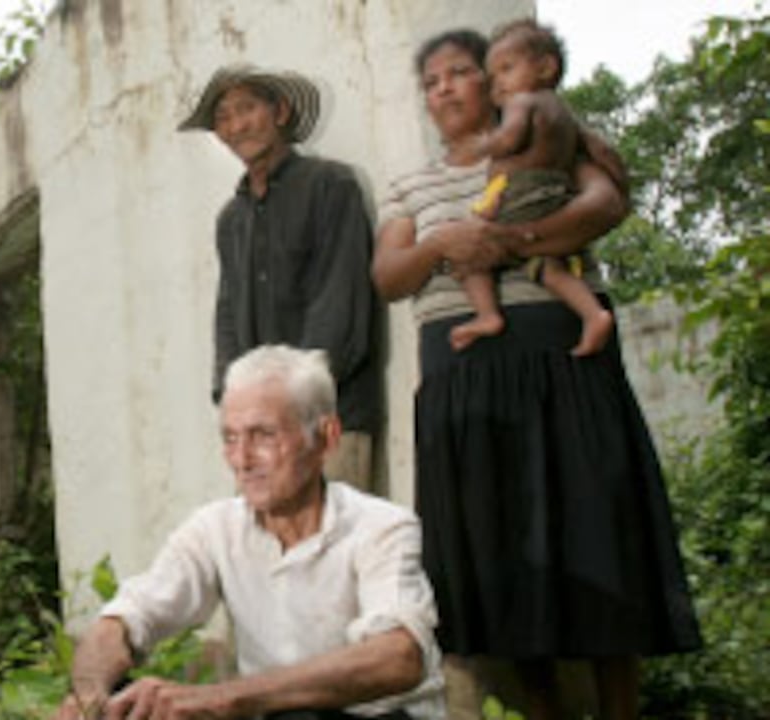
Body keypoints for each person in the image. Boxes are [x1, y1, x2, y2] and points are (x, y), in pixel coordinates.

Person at [371, 28, 700, 720]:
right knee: (495, 561)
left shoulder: (552, 141)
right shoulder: (410, 185)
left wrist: (507, 241)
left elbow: (603, 206)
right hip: (463, 378)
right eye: (431, 82)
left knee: (601, 541)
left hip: (564, 356)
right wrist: (439, 242)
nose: (445, 89)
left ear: (491, 82)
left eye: (460, 73)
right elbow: (389, 276)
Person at [53, 345, 444, 720]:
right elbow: (123, 620)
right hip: (277, 713)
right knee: (128, 702)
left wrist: (221, 700)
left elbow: (400, 658)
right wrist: (89, 697)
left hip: (385, 717)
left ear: (326, 437)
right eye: (230, 438)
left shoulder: (380, 526)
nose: (241, 460)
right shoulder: (214, 529)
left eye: (264, 435)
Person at [179, 64, 381, 489]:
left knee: (332, 550)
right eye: (223, 118)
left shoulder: (330, 186)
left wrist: (286, 401)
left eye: (246, 108)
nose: (236, 125)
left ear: (281, 111)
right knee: (264, 552)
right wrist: (233, 397)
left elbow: (340, 307)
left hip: (330, 418)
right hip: (260, 428)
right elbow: (229, 314)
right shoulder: (231, 220)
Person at [449, 19, 615, 356]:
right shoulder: (566, 114)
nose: (499, 86)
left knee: (469, 256)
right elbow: (602, 152)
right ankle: (593, 314)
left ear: (545, 67)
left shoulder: (523, 103)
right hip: (557, 194)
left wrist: (480, 146)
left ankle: (487, 315)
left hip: (522, 195)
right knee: (548, 267)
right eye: (493, 79)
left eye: (507, 69)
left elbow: (509, 138)